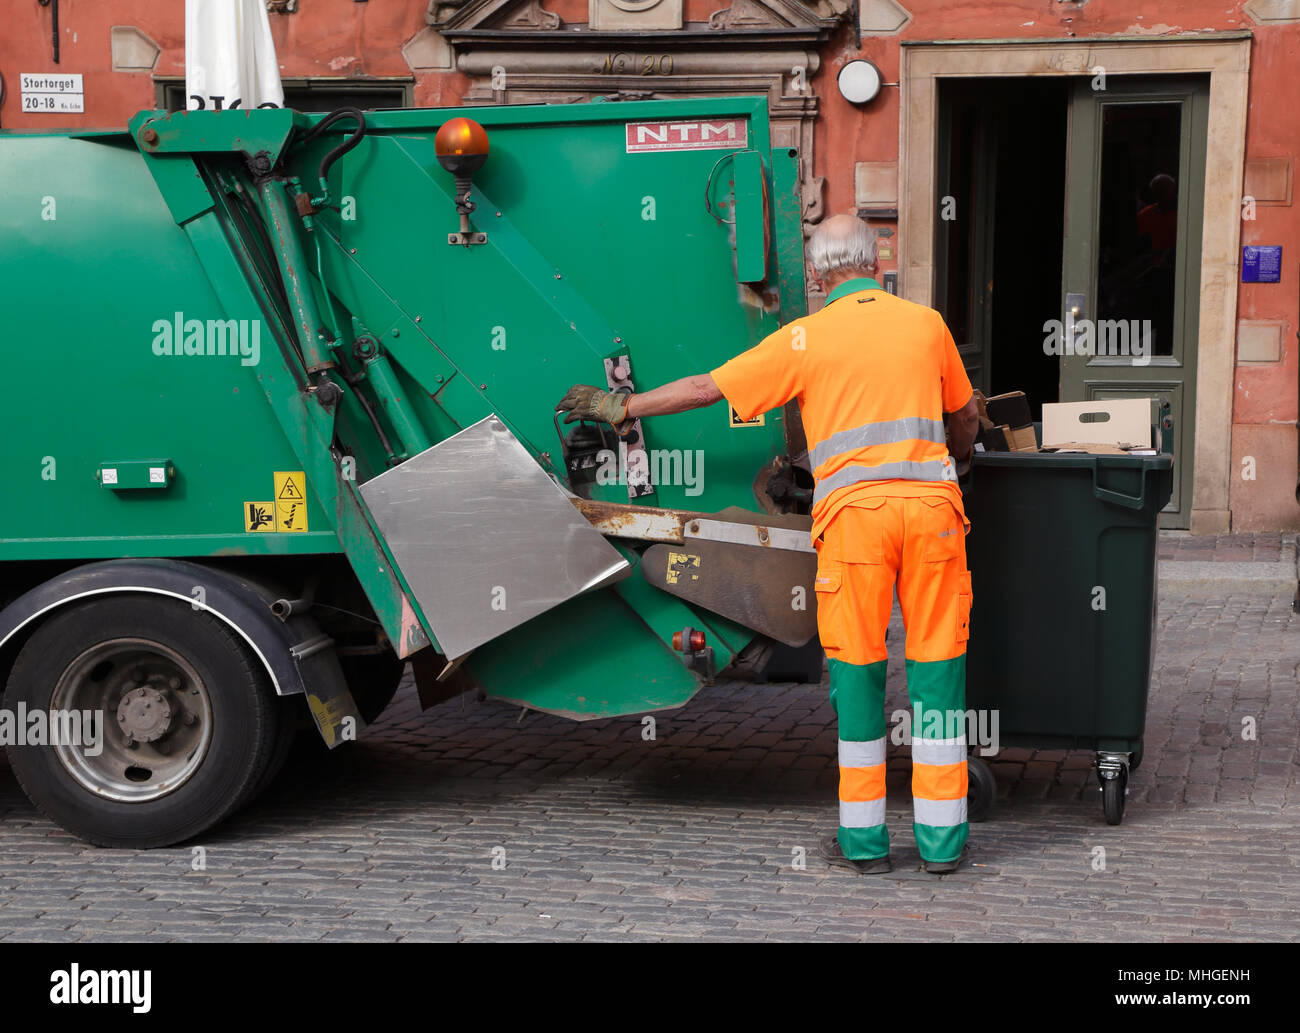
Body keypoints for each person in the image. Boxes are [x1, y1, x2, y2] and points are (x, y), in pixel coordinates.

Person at [555, 214, 979, 874]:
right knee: (938, 669)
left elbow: (707, 388)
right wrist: (959, 450)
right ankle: (944, 844)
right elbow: (965, 418)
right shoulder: (926, 326)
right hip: (932, 518)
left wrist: (622, 408)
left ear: (818, 272)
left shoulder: (805, 337)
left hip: (855, 526)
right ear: (877, 263)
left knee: (860, 673)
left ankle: (865, 843)